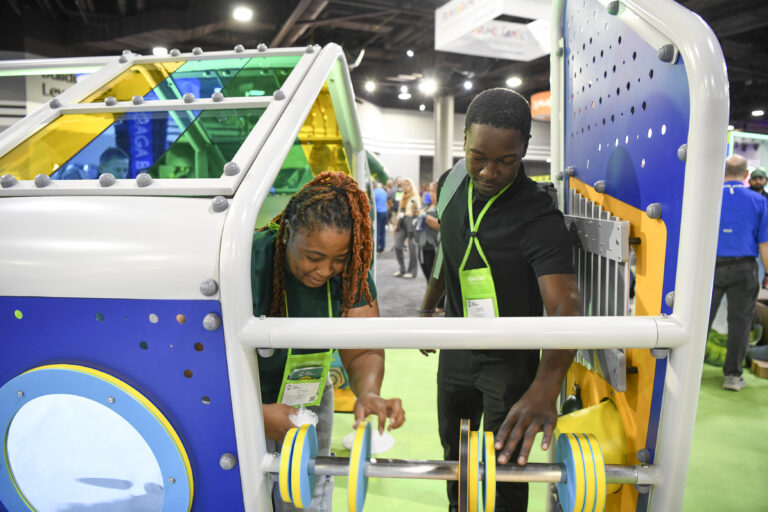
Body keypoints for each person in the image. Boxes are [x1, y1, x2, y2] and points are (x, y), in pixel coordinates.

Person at [419, 88, 579, 511]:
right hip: (456, 348)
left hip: (510, 360)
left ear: (525, 148)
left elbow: (565, 305)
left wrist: (546, 388)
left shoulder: (538, 216)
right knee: (456, 456)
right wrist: (427, 304)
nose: (489, 172)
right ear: (465, 141)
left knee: (503, 466)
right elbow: (447, 251)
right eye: (478, 157)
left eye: (506, 160)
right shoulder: (451, 183)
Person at [252, 171, 406, 511]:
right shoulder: (248, 262)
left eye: (338, 259)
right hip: (239, 397)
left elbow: (364, 347)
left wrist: (368, 393)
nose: (325, 271)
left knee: (305, 492)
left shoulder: (352, 270)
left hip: (308, 392)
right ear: (288, 231)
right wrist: (254, 414)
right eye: (313, 257)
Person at [707, 154, 768, 391]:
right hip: (744, 268)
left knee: (701, 321)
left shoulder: (709, 198)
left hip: (710, 267)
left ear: (723, 173)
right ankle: (732, 376)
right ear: (746, 175)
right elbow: (764, 245)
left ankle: (688, 373)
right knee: (740, 324)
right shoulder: (760, 202)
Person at [393, 177, 420, 279]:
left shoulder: (415, 196)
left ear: (411, 185)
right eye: (404, 185)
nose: (405, 187)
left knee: (413, 248)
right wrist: (395, 224)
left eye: (407, 184)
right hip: (402, 222)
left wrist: (416, 210)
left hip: (411, 221)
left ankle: (412, 271)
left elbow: (418, 210)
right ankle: (402, 269)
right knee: (397, 246)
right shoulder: (402, 196)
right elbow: (400, 211)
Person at [373, 180, 389, 253]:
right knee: (383, 230)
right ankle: (382, 247)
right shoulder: (384, 192)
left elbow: (372, 202)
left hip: (378, 212)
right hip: (384, 212)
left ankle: (376, 247)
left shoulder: (374, 192)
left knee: (377, 230)